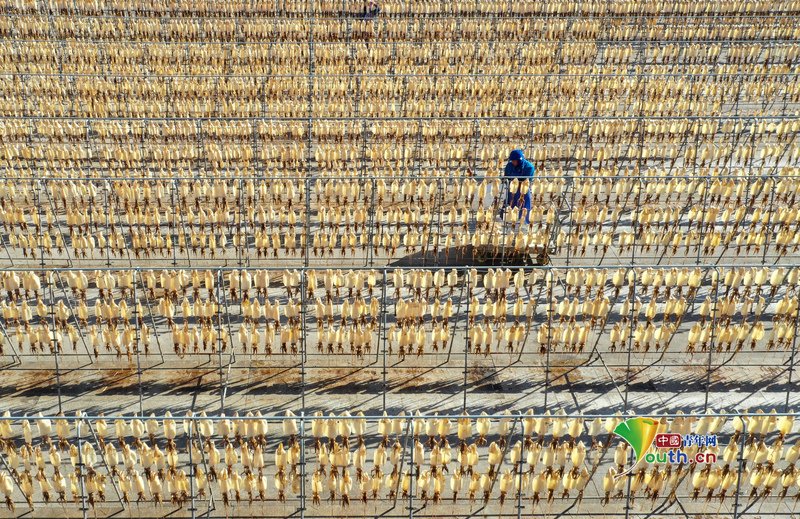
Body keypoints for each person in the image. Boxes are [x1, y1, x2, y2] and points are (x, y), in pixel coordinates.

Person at [503, 149, 535, 223]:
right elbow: (506, 177)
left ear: (519, 160)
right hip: (512, 190)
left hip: (523, 191)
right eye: (512, 160)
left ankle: (524, 223)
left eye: (514, 161)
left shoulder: (529, 167)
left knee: (524, 209)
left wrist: (516, 182)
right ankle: (510, 223)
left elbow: (526, 181)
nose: (513, 162)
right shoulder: (509, 166)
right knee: (511, 208)